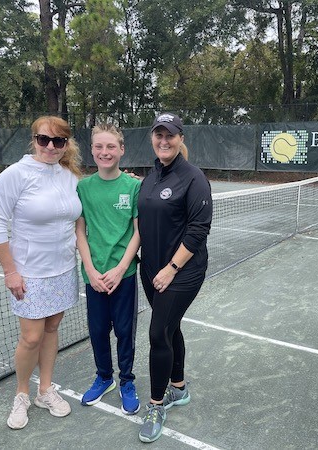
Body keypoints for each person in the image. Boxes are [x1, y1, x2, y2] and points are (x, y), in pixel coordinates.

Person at [0, 116, 82, 430]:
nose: (51, 147)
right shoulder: (15, 174)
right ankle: (22, 394)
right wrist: (10, 271)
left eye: (58, 141)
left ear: (66, 144)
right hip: (29, 272)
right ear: (34, 140)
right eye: (44, 139)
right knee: (30, 337)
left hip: (65, 268)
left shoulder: (70, 175)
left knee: (52, 328)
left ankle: (45, 390)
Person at [137, 113, 213, 443]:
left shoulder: (194, 178)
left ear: (181, 138)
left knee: (157, 334)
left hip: (181, 273)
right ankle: (178, 388)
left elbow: (199, 229)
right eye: (159, 135)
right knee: (170, 327)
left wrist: (171, 269)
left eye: (170, 135)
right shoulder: (150, 177)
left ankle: (156, 404)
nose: (164, 141)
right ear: (153, 138)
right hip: (151, 272)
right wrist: (153, 269)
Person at [75, 123, 141, 415]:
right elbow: (80, 231)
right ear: (92, 150)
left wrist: (120, 268)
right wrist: (90, 269)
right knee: (98, 331)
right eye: (99, 147)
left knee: (125, 332)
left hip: (123, 276)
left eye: (110, 146)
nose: (105, 152)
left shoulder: (134, 186)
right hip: (94, 277)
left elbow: (138, 232)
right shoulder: (83, 187)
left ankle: (126, 381)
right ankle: (104, 378)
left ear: (121, 149)